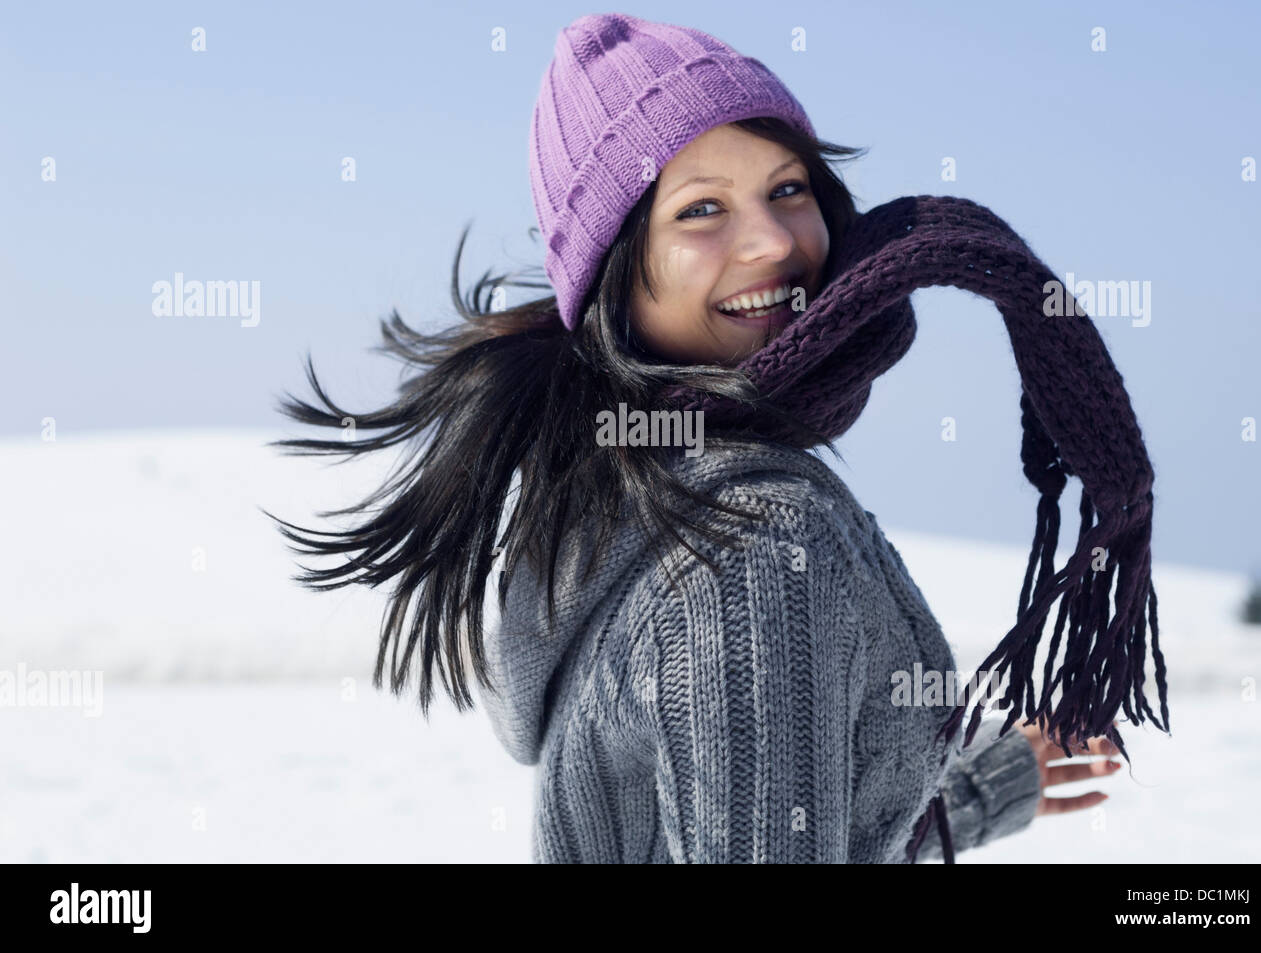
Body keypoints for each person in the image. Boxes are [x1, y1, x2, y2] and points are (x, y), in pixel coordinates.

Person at [265, 13, 1165, 863]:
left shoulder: (618, 492)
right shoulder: (756, 540)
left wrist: (984, 789)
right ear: (618, 278)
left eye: (787, 188)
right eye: (702, 209)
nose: (772, 242)